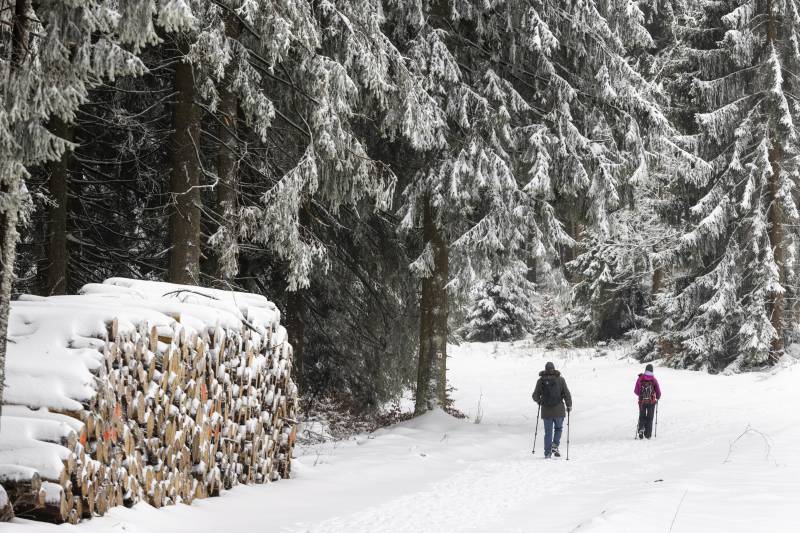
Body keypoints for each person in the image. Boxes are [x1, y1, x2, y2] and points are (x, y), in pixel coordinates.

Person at [532, 361, 572, 458]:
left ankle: (547, 453)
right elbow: (566, 394)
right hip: (559, 410)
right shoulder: (561, 380)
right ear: (553, 369)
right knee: (558, 429)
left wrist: (540, 401)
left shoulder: (540, 380)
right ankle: (555, 445)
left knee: (548, 432)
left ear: (545, 369)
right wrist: (569, 405)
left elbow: (535, 396)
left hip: (546, 411)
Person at [634, 363, 661, 439]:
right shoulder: (654, 379)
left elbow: (636, 391)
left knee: (642, 416)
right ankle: (648, 434)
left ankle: (641, 428)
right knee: (650, 417)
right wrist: (658, 397)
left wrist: (641, 395)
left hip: (642, 402)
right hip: (651, 402)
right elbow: (658, 391)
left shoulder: (640, 379)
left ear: (645, 370)